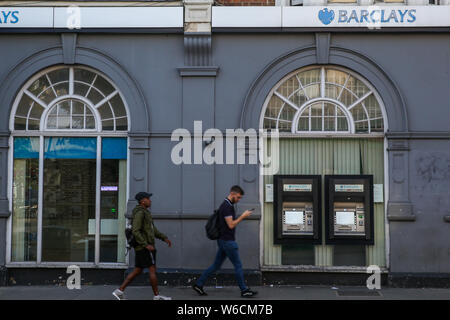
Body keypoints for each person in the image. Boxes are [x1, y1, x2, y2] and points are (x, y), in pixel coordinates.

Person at [192, 185, 258, 298]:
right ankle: (244, 290)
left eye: (240, 198)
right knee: (238, 265)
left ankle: (199, 284)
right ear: (232, 193)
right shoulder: (226, 207)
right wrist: (243, 216)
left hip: (223, 241)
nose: (239, 200)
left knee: (216, 266)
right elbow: (231, 225)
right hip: (228, 241)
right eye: (238, 197)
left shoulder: (227, 205)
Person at [112, 192, 172, 300]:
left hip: (142, 247)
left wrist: (164, 238)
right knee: (152, 270)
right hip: (145, 248)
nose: (150, 200)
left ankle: (119, 291)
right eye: (148, 199)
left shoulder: (145, 212)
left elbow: (153, 230)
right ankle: (157, 296)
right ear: (143, 201)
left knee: (137, 270)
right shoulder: (140, 213)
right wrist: (146, 245)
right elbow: (135, 231)